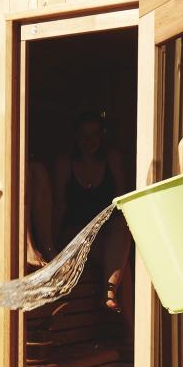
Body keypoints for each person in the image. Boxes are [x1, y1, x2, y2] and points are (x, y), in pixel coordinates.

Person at [52, 110, 131, 308]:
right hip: (75, 236)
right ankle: (112, 298)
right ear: (76, 137)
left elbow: (122, 203)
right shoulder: (65, 164)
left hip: (105, 234)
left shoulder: (112, 161)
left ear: (102, 136)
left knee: (122, 231)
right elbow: (59, 205)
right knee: (122, 263)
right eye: (84, 135)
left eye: (94, 134)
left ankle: (111, 297)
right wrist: (54, 249)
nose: (89, 140)